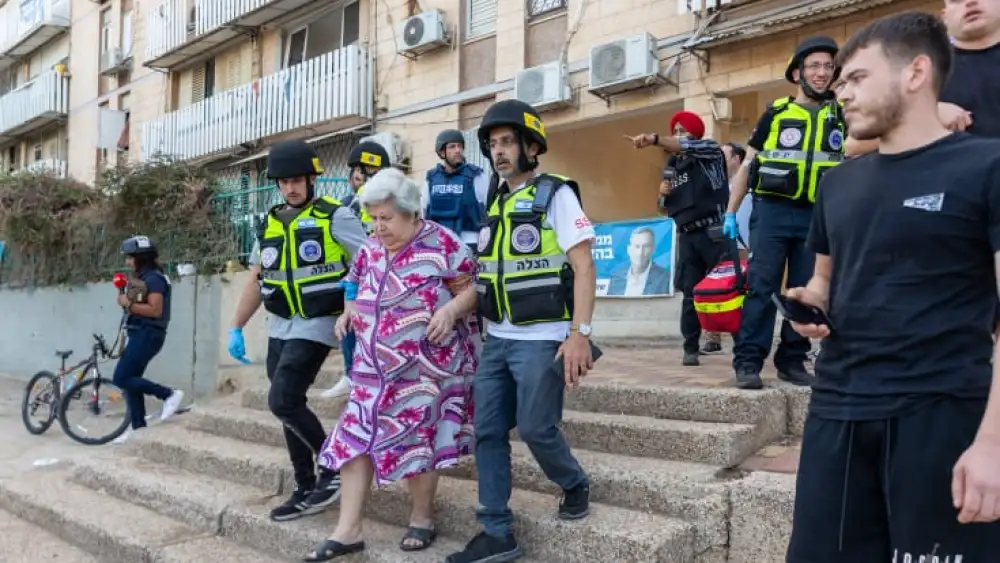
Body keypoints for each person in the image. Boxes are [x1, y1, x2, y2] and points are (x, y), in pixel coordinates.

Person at [785, 12, 1000, 562]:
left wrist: (994, 444)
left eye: (856, 78)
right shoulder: (837, 184)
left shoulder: (987, 167)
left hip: (942, 415)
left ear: (916, 73)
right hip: (836, 413)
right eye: (839, 84)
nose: (842, 94)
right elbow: (823, 282)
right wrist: (810, 303)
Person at [446, 99, 597, 563]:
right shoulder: (495, 203)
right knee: (487, 432)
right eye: (492, 145)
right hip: (499, 339)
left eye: (507, 142)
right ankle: (496, 530)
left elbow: (585, 266)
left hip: (544, 338)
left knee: (535, 427)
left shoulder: (556, 194)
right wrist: (453, 310)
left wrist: (579, 334)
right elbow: (487, 277)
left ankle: (574, 482)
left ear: (532, 145)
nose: (499, 152)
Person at [302, 168, 479, 561]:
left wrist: (450, 311)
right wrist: (348, 311)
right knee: (353, 440)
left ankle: (422, 518)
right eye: (374, 218)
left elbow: (470, 291)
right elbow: (353, 281)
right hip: (370, 370)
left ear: (412, 213)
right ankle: (348, 531)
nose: (378, 227)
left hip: (424, 369)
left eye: (386, 218)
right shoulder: (369, 248)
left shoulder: (442, 243)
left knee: (418, 442)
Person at [226, 140, 368, 522]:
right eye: (284, 182)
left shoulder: (335, 216)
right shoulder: (270, 222)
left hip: (319, 320)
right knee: (288, 403)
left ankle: (333, 466)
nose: (291, 188)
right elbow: (258, 278)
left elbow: (370, 259)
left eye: (297, 181)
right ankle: (306, 485)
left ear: (311, 179)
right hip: (281, 322)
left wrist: (358, 304)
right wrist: (237, 325)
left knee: (283, 399)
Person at [721, 36, 848, 390]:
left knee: (805, 290)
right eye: (814, 66)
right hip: (773, 212)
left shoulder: (841, 114)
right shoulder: (776, 114)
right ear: (797, 73)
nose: (823, 73)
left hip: (816, 217)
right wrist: (731, 212)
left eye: (828, 67)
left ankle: (792, 360)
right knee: (761, 287)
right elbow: (748, 164)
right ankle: (748, 361)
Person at [627, 110, 729, 366]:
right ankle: (690, 349)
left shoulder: (708, 150)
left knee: (728, 290)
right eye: (676, 131)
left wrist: (652, 138)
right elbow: (664, 207)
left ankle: (743, 347)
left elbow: (685, 146)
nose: (679, 136)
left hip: (713, 232)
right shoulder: (673, 165)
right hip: (687, 235)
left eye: (684, 131)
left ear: (695, 134)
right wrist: (662, 194)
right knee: (690, 295)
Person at [320, 140, 392, 400]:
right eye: (354, 172)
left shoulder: (391, 201)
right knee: (350, 326)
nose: (355, 178)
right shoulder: (346, 205)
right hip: (355, 277)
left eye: (361, 172)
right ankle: (351, 375)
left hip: (386, 276)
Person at [111, 235, 185, 444]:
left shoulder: (155, 279)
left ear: (140, 258)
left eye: (130, 257)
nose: (127, 262)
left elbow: (155, 309)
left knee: (121, 378)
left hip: (148, 334)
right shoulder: (145, 276)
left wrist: (127, 303)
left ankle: (169, 394)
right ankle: (138, 429)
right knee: (131, 382)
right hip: (139, 332)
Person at [702, 142, 751, 355]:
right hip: (719, 245)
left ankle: (743, 337)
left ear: (737, 160)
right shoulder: (716, 185)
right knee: (717, 289)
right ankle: (713, 336)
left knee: (740, 291)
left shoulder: (748, 183)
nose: (718, 161)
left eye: (724, 156)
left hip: (744, 247)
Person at [422, 129, 491, 246]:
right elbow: (423, 212)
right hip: (438, 243)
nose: (458, 150)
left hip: (470, 242)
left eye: (460, 146)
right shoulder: (431, 178)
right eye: (452, 147)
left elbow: (490, 208)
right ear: (442, 152)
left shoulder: (476, 176)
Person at [606, 226, 671, 296]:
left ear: (653, 249)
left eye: (646, 246)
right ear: (629, 249)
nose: (640, 253)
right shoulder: (616, 277)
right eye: (637, 246)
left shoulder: (665, 278)